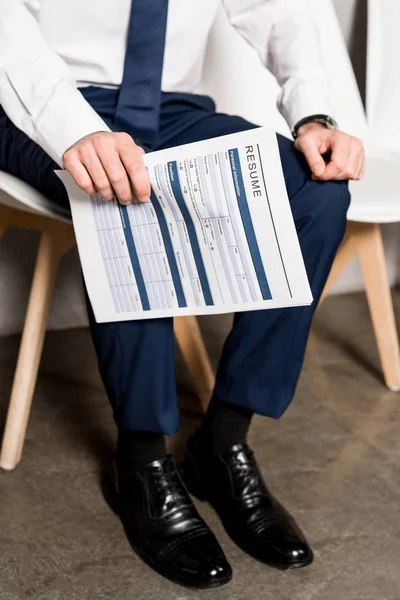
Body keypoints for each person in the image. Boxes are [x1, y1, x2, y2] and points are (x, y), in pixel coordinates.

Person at [0, 0, 364, 590]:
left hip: (172, 111)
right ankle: (142, 459)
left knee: (319, 196)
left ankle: (221, 443)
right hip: (43, 101)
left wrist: (313, 113)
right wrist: (75, 126)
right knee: (133, 193)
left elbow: (276, 11)